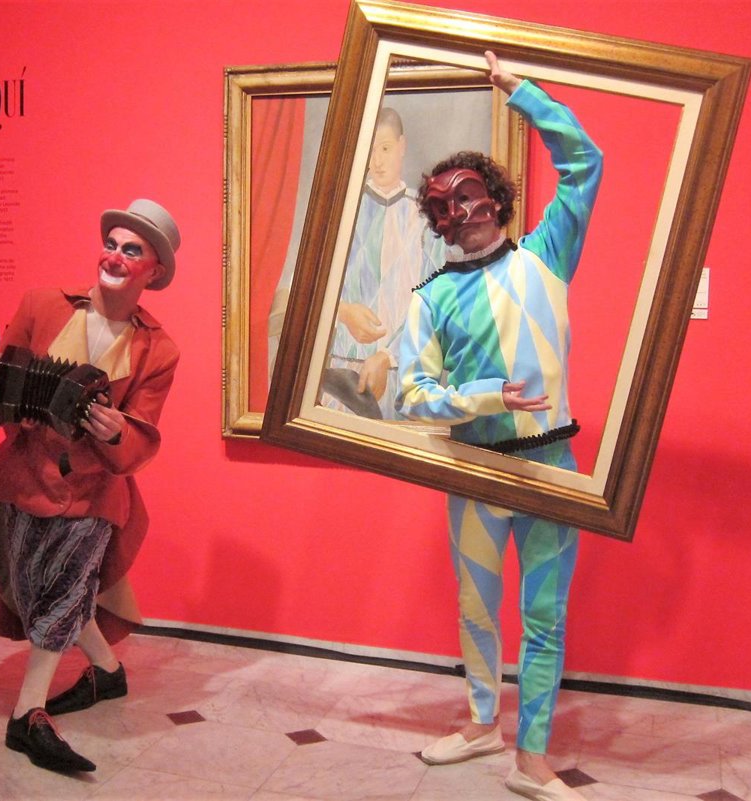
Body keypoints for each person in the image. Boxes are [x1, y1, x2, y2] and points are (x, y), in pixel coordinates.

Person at [396, 52, 602, 801]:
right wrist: (486, 397)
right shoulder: (429, 299)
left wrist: (523, 93)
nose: (460, 211)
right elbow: (412, 396)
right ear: (435, 221)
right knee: (476, 606)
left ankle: (532, 755)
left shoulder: (547, 257)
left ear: (495, 196)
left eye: (469, 194)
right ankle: (483, 722)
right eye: (443, 204)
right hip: (476, 469)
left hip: (550, 464)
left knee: (545, 614)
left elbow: (585, 163)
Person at [0, 199, 181, 773]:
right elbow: (1, 385)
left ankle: (26, 717)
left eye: (132, 250)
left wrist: (115, 429)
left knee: (61, 591)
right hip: (26, 475)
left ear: (153, 270)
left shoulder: (160, 349)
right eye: (111, 244)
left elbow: (143, 433)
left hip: (92, 490)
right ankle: (108, 673)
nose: (115, 257)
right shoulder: (41, 304)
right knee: (37, 589)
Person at [322, 106, 446, 419]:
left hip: (403, 375)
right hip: (341, 375)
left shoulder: (425, 217)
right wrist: (343, 311)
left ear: (402, 146)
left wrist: (387, 356)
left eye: (386, 148)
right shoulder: (340, 211)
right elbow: (306, 290)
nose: (377, 161)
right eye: (370, 150)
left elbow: (437, 304)